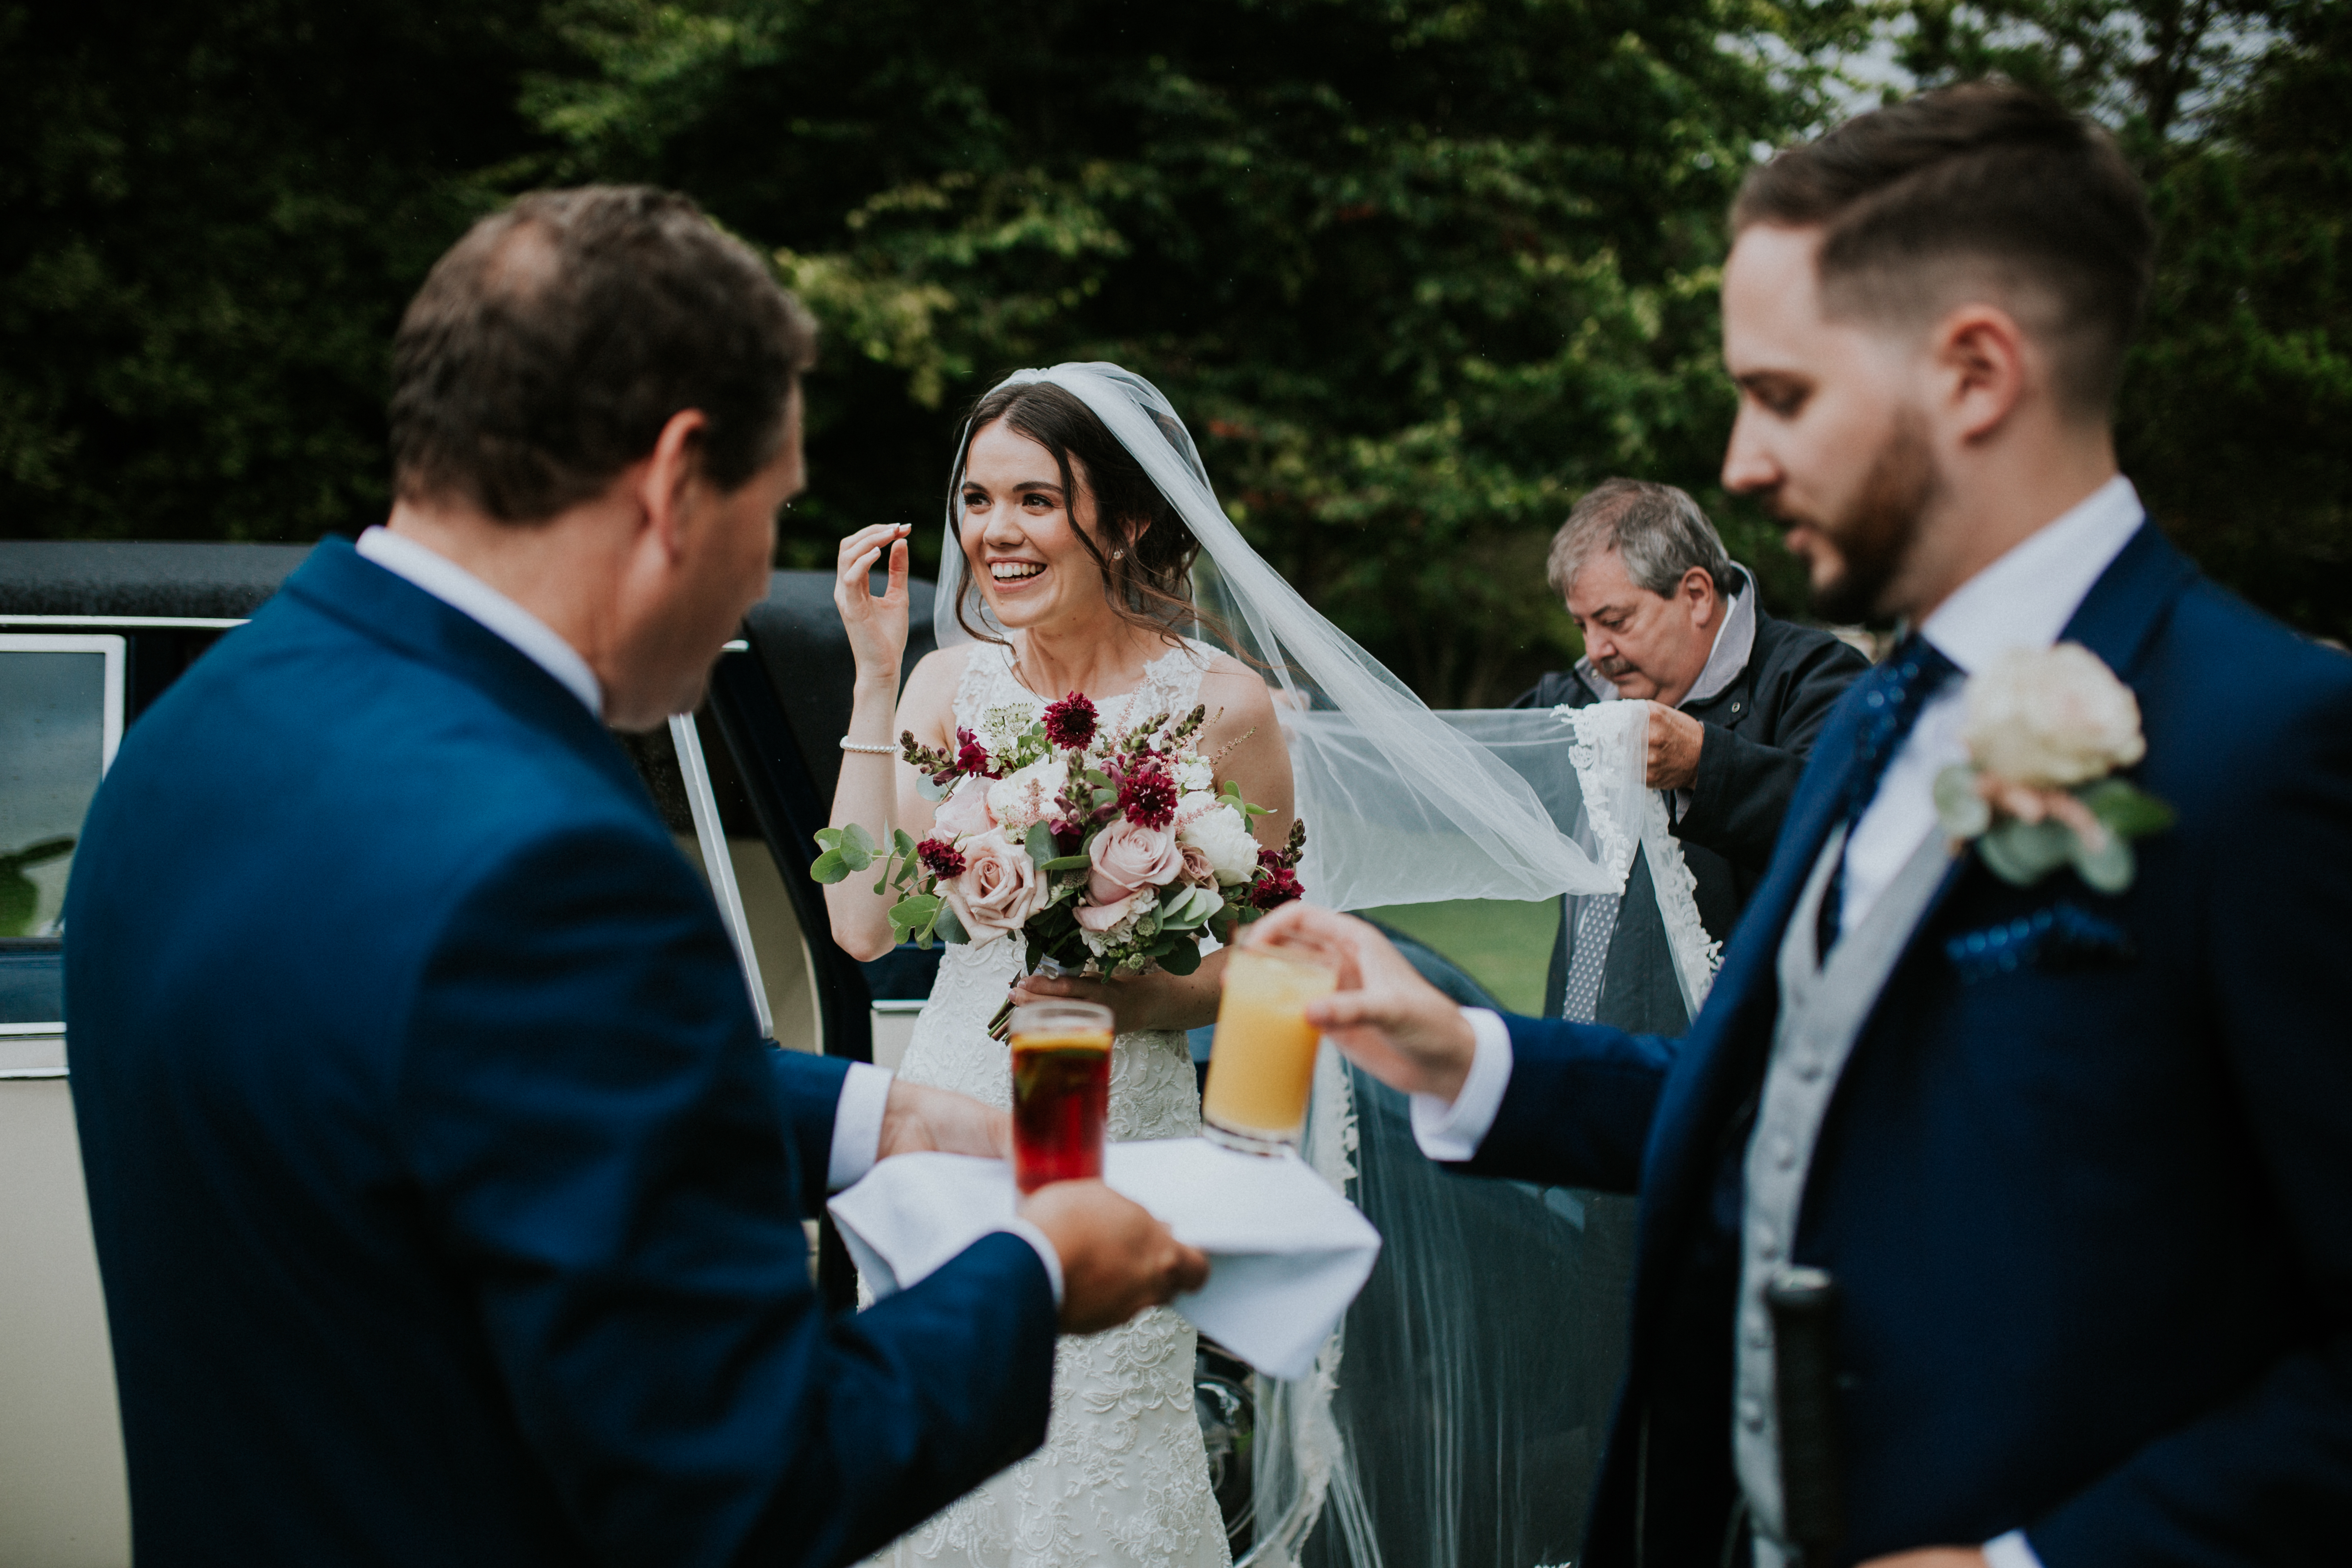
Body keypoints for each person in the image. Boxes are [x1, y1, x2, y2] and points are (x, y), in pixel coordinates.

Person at [1253, 81, 2352, 1568]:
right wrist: (1467, 1053)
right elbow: (1783, 1107)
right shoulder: (1882, 727)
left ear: (1971, 373)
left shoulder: (2264, 745)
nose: (1742, 462)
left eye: (1779, 395)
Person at [62, 187, 1207, 1568]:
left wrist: (869, 1115)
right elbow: (738, 1480)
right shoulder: (547, 862)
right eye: (768, 512)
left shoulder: (200, 733)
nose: (753, 585)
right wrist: (1034, 1277)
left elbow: (457, 1061)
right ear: (674, 482)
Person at [824, 373, 1292, 1568]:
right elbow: (864, 926)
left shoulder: (1223, 706)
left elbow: (1262, 962)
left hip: (1121, 1122)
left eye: (1037, 498)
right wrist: (877, 675)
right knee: (942, 1443)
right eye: (978, 498)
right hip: (954, 1108)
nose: (995, 531)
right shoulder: (944, 685)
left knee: (1099, 1447)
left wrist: (1142, 995)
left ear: (1127, 516)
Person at [1509, 479, 1867, 1020]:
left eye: (1613, 622)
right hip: (1581, 1049)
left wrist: (1704, 764)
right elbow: (1451, 774)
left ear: (1696, 595)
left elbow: (1844, 823)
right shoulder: (1573, 698)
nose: (1594, 650)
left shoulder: (1813, 676)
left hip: (1732, 1064)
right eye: (1581, 626)